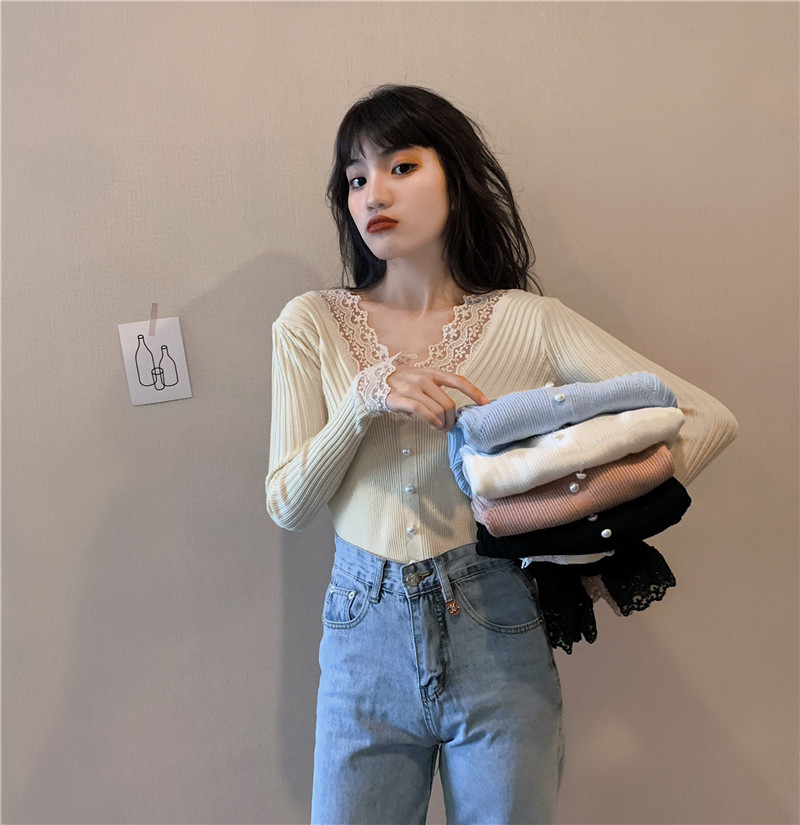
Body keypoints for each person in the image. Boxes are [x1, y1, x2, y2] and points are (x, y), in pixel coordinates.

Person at [266, 84, 738, 825]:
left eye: (401, 167)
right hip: (363, 643)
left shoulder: (529, 322)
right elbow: (287, 504)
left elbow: (705, 419)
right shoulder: (312, 324)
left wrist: (584, 537)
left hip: (498, 628)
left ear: (454, 179)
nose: (372, 194)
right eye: (355, 178)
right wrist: (362, 400)